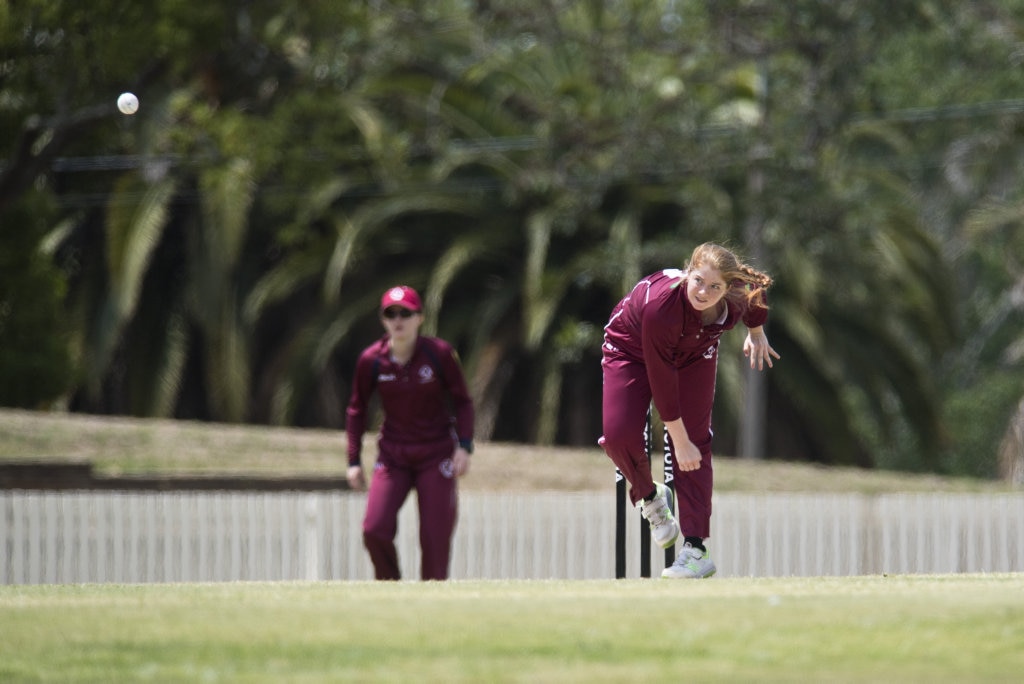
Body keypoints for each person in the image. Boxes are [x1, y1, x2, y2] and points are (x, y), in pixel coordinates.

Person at [599, 243, 779, 579]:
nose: (704, 292)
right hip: (631, 349)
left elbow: (755, 296)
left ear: (728, 288)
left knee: (696, 442)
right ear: (687, 272)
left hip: (695, 352)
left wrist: (756, 332)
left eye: (715, 287)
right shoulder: (661, 307)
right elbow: (661, 378)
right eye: (698, 281)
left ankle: (696, 549)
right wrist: (677, 441)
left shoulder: (738, 295)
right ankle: (651, 498)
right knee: (618, 437)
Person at [345, 285, 474, 580]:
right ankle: (391, 589)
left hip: (436, 453)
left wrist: (464, 447)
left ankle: (431, 605)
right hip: (394, 455)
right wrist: (353, 462)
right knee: (374, 529)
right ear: (383, 320)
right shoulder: (372, 360)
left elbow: (463, 402)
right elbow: (356, 410)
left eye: (406, 313)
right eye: (391, 313)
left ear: (420, 318)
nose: (398, 320)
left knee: (435, 539)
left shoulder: (439, 354)